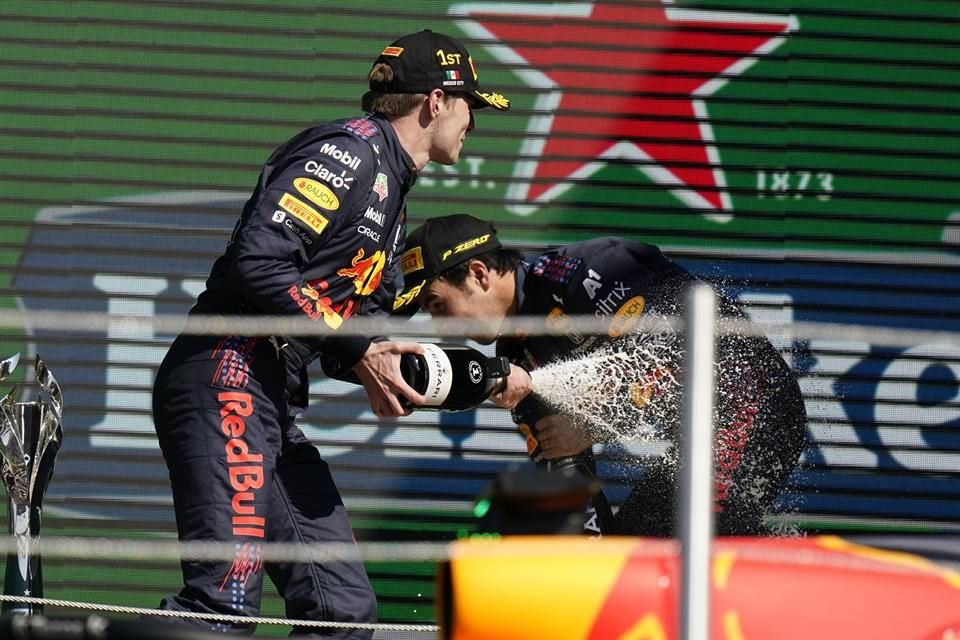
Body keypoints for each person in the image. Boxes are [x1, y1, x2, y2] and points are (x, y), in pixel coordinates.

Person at [151, 32, 509, 636]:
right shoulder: (350, 152)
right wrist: (358, 347)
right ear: (437, 102)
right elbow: (259, 263)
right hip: (226, 373)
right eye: (470, 103)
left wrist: (401, 365)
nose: (475, 120)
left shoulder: (393, 191)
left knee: (342, 610)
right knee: (224, 608)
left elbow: (355, 329)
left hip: (269, 397)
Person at [392, 214, 807, 537]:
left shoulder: (587, 270)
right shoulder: (516, 360)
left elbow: (693, 353)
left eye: (437, 304)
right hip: (701, 437)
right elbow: (572, 483)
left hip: (753, 401)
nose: (440, 327)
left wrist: (593, 423)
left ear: (479, 274)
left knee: (686, 551)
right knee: (633, 557)